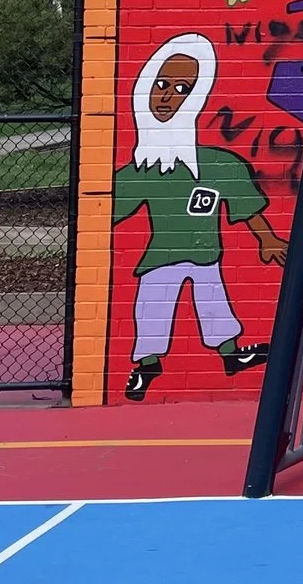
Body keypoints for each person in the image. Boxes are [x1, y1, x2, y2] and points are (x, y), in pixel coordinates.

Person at [115, 32, 288, 401]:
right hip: (161, 256)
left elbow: (242, 199)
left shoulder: (214, 163)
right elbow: (107, 208)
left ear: (196, 97)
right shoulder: (143, 169)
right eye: (161, 83)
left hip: (207, 253)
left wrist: (267, 237)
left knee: (213, 300)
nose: (166, 95)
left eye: (181, 88)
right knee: (153, 305)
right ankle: (147, 365)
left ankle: (230, 354)